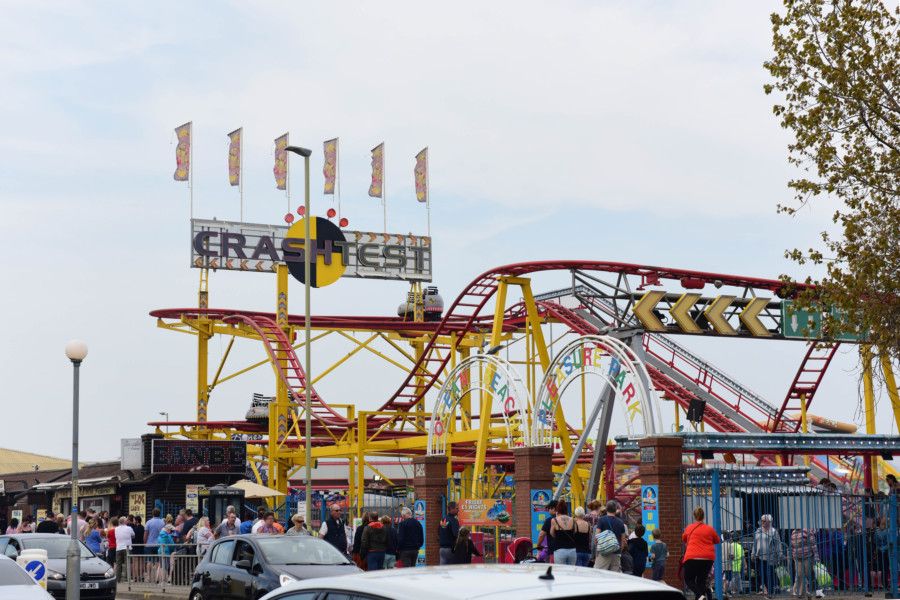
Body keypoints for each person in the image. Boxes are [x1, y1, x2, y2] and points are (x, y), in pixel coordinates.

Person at [681, 506, 720, 600]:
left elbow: (684, 539)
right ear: (703, 516)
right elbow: (717, 540)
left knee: (689, 579)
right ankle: (700, 596)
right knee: (701, 581)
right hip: (707, 558)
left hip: (692, 557)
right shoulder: (710, 529)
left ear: (694, 516)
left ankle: (700, 595)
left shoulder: (689, 528)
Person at [751, 514, 782, 598]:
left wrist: (780, 555)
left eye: (765, 521)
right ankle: (766, 590)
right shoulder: (758, 531)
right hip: (759, 557)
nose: (763, 522)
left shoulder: (773, 532)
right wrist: (753, 554)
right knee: (762, 575)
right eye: (762, 521)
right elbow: (755, 543)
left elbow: (778, 544)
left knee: (769, 575)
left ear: (770, 521)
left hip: (770, 557)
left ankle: (770, 592)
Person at [594, 500, 627, 571]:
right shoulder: (620, 522)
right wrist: (619, 551)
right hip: (616, 552)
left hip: (604, 553)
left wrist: (598, 550)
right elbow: (623, 540)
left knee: (599, 574)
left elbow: (597, 537)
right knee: (614, 577)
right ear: (615, 510)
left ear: (606, 509)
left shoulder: (601, 520)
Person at [790, 526, 818, 600]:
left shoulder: (807, 531)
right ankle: (801, 593)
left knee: (807, 574)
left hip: (807, 556)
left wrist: (816, 557)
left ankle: (811, 591)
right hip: (797, 557)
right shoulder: (793, 532)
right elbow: (792, 546)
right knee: (799, 574)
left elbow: (813, 544)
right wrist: (793, 555)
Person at [549, 500, 578, 565]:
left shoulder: (554, 520)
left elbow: (552, 533)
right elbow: (575, 531)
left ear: (557, 509)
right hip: (572, 550)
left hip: (559, 549)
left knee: (561, 572)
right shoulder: (573, 520)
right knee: (571, 572)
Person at [722, 532, 744, 597]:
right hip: (733, 565)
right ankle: (728, 591)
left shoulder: (725, 545)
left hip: (725, 564)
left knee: (728, 578)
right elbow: (734, 556)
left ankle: (727, 591)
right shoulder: (735, 546)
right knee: (731, 579)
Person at [114, 516, 134, 582]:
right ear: (124, 522)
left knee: (118, 564)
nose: (127, 521)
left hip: (118, 548)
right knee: (127, 563)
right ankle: (127, 579)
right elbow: (133, 535)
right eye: (126, 520)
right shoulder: (129, 528)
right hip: (127, 547)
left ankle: (118, 579)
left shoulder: (116, 529)